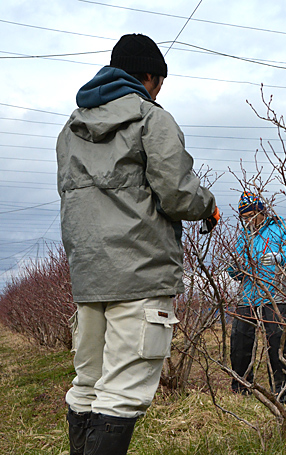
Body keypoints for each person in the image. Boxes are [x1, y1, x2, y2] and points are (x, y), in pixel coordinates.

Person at [56, 34, 220, 455]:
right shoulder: (151, 119)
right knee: (123, 393)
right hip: (140, 274)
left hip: (88, 276)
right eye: (159, 82)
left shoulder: (71, 129)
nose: (160, 90)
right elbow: (179, 194)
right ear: (148, 77)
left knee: (88, 385)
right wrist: (209, 207)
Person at [228, 192, 286, 403]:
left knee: (276, 344)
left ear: (262, 212)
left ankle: (280, 392)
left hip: (275, 296)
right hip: (247, 297)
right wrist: (234, 269)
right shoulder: (244, 237)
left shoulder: (280, 229)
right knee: (239, 343)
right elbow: (236, 270)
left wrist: (281, 259)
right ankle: (240, 388)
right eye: (245, 218)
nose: (249, 221)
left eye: (252, 216)